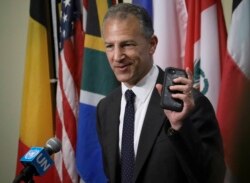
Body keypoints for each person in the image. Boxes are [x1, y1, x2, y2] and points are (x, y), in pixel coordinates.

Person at [96, 3, 225, 183]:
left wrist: (181, 127)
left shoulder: (187, 103)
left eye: (127, 45)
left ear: (152, 44)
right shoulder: (105, 107)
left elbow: (212, 177)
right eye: (110, 46)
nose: (117, 56)